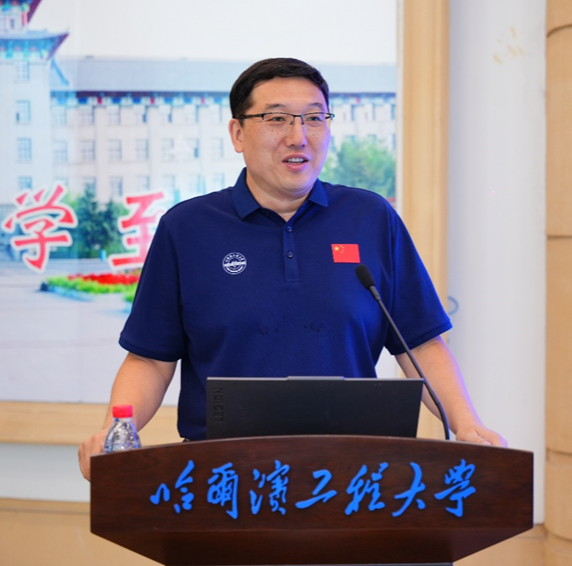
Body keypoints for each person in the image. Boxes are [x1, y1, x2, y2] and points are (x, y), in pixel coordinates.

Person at [78, 58, 505, 480]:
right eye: (277, 119)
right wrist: (116, 431)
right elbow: (149, 360)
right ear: (238, 133)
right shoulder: (187, 228)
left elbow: (421, 343)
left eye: (314, 118)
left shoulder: (370, 218)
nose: (298, 137)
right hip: (224, 475)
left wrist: (466, 424)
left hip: (354, 473)